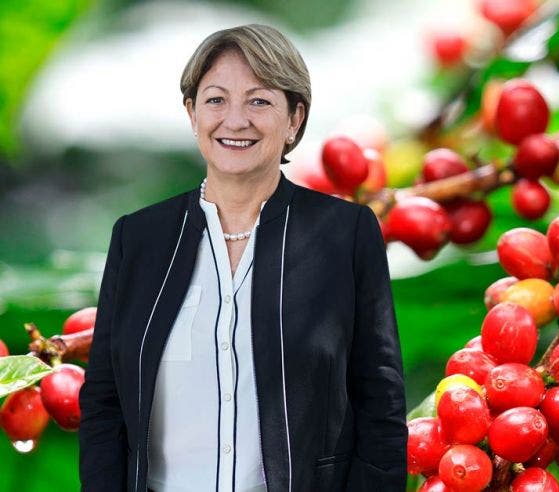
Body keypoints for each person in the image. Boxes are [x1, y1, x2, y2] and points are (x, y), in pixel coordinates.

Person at [77, 24, 407, 492]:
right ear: (192, 114)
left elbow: (381, 403)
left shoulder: (343, 234)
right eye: (215, 100)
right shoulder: (139, 238)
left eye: (259, 100)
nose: (235, 120)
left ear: (295, 118)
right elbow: (104, 403)